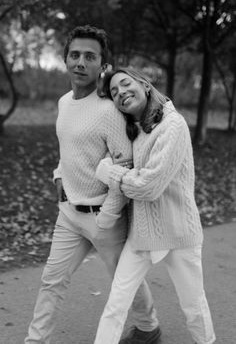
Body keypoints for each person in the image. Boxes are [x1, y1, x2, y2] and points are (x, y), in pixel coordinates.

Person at [24, 26, 161, 344]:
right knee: (51, 281)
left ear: (103, 65)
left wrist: (107, 217)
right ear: (65, 60)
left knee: (123, 280)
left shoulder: (109, 111)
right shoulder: (63, 103)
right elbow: (67, 150)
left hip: (105, 217)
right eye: (75, 55)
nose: (80, 62)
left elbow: (125, 166)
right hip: (69, 213)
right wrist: (58, 177)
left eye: (90, 56)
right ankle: (35, 340)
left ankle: (147, 326)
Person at [94, 67, 216, 344]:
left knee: (193, 306)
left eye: (125, 84)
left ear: (145, 85)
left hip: (179, 232)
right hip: (142, 234)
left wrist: (109, 173)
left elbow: (148, 186)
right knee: (116, 304)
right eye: (114, 92)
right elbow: (134, 177)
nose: (121, 92)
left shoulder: (173, 125)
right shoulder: (133, 131)